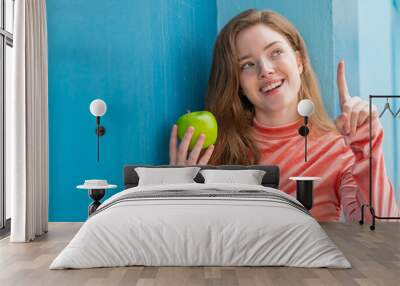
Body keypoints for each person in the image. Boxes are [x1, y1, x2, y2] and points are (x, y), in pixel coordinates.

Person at [168, 9, 399, 221]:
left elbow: (380, 235)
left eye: (275, 52)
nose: (265, 69)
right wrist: (176, 193)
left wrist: (368, 151)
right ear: (237, 83)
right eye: (247, 65)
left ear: (299, 61)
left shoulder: (338, 150)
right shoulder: (214, 150)